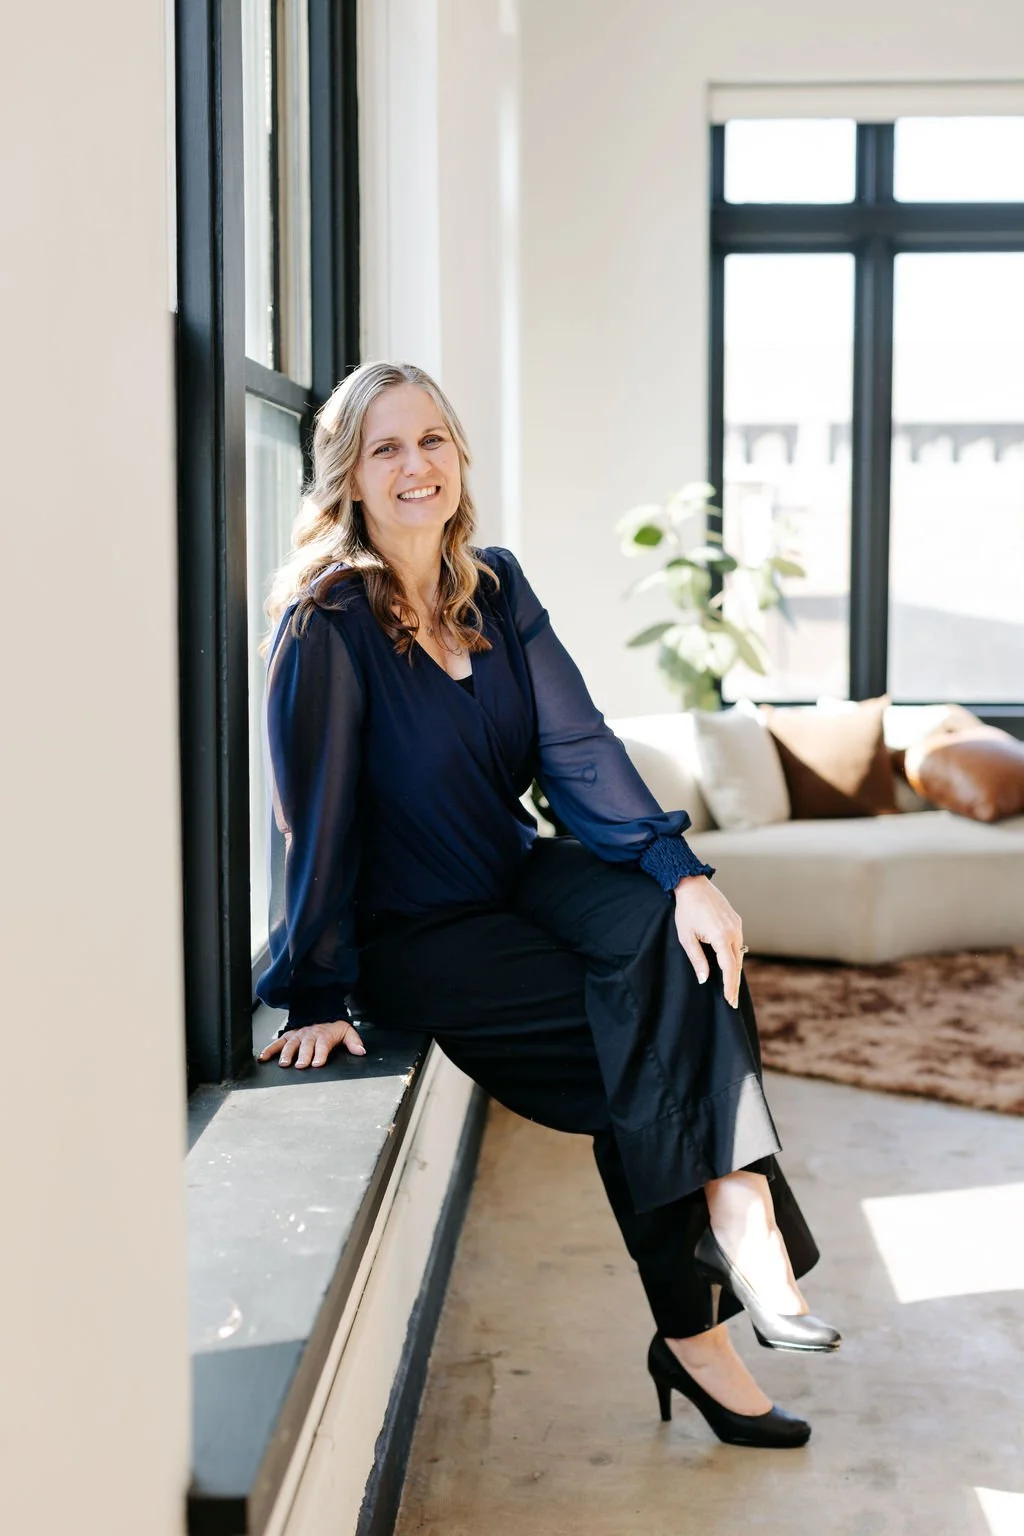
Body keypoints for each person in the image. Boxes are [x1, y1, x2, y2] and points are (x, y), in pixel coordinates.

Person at [255, 360, 840, 1450]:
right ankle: (711, 1289)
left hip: (515, 868)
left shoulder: (496, 586)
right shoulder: (324, 623)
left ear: (458, 454)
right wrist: (315, 989)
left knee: (680, 943)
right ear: (347, 476)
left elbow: (574, 746)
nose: (415, 465)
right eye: (385, 448)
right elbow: (318, 821)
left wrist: (684, 873)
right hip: (414, 926)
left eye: (430, 439)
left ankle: (733, 1212)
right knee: (647, 1052)